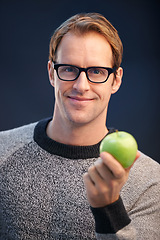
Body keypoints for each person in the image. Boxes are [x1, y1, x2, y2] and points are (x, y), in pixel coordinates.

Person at [0, 12, 159, 240]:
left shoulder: (150, 181)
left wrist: (109, 208)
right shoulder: (2, 150)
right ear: (51, 74)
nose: (81, 86)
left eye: (96, 71)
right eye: (69, 69)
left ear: (116, 80)